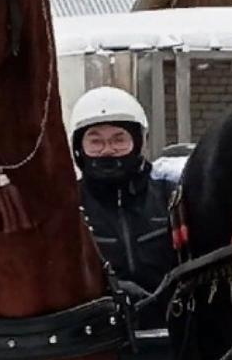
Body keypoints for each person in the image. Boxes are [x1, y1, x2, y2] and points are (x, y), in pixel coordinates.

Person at [71, 86, 178, 305]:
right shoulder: (68, 207)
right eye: (96, 141)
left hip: (173, 322)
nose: (108, 150)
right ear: (79, 148)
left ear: (138, 143)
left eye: (119, 140)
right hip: (100, 328)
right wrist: (114, 290)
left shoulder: (172, 197)